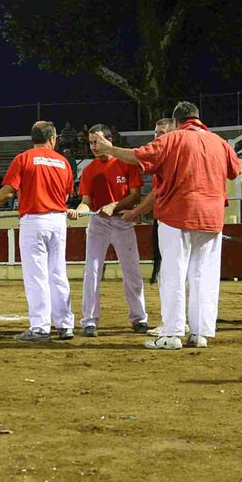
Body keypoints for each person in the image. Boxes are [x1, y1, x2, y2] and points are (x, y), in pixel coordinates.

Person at [94, 102, 242, 350]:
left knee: (173, 273)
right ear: (196, 117)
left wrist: (110, 148)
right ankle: (200, 333)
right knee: (203, 276)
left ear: (176, 122)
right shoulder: (219, 142)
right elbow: (236, 170)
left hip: (177, 215)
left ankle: (172, 333)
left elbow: (137, 156)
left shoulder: (173, 139)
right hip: (212, 217)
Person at [0, 121, 75, 342]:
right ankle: (65, 325)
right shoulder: (64, 162)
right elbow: (65, 196)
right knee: (58, 273)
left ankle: (40, 327)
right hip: (58, 221)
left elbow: (7, 193)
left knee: (37, 276)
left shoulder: (23, 159)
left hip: (34, 220)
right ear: (52, 139)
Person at [68, 123, 148, 337]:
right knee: (91, 271)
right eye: (91, 142)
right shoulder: (89, 170)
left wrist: (114, 206)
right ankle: (89, 321)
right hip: (99, 224)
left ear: (109, 140)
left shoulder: (126, 163)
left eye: (98, 141)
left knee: (132, 271)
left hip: (122, 220)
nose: (94, 146)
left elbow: (135, 196)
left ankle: (139, 318)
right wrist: (79, 211)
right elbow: (86, 202)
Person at [122, 118, 175, 289]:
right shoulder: (161, 157)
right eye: (156, 132)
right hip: (162, 217)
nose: (157, 136)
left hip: (173, 220)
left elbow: (156, 192)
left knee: (173, 266)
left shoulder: (170, 157)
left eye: (162, 133)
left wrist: (135, 213)